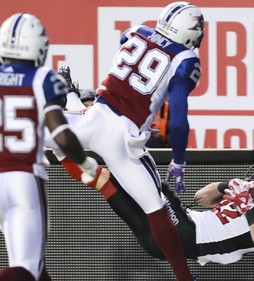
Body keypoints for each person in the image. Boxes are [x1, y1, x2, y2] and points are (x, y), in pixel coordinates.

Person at [45, 2, 205, 280]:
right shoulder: (186, 60)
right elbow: (178, 120)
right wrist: (178, 161)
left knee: (29, 131)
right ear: (191, 32)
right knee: (156, 211)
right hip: (124, 140)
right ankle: (184, 278)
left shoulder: (137, 31)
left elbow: (128, 42)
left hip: (91, 120)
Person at [60, 155, 254, 267]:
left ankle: (80, 116)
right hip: (168, 237)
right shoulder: (248, 190)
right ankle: (61, 147)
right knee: (105, 180)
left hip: (189, 236)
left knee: (144, 170)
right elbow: (201, 198)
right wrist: (227, 186)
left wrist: (248, 208)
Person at [0, 13, 98, 281]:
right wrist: (86, 163)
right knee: (25, 269)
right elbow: (63, 136)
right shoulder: (42, 78)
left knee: (36, 268)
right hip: (22, 178)